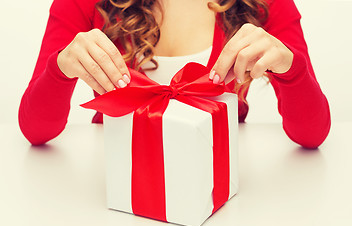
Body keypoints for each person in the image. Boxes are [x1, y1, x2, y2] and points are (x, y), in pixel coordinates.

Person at [19, 0, 331, 148]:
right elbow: (35, 131)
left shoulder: (268, 2)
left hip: (223, 172)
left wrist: (292, 68)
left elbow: (312, 134)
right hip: (113, 172)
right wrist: (60, 68)